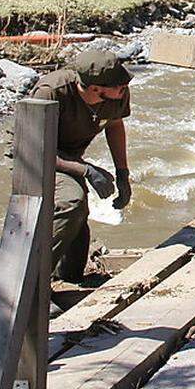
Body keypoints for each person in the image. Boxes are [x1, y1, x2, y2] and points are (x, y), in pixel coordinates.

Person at [28, 49, 133, 290]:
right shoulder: (51, 92)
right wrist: (86, 170)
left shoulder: (116, 95)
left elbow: (115, 125)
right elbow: (36, 149)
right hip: (33, 154)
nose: (124, 88)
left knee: (78, 215)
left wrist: (123, 175)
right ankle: (32, 286)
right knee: (71, 202)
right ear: (95, 88)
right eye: (119, 86)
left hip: (70, 154)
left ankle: (67, 278)